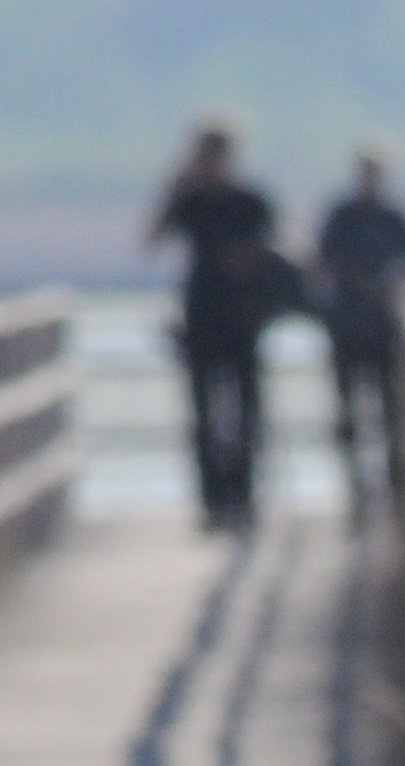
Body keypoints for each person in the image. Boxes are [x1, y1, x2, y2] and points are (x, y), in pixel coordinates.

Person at [148, 126, 296, 531]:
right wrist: (173, 192)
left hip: (244, 318)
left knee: (247, 411)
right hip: (199, 317)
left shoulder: (251, 201)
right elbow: (151, 240)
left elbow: (280, 247)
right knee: (202, 414)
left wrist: (251, 259)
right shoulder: (189, 199)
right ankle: (212, 500)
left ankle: (243, 497)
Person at [316, 150, 405, 503]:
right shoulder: (341, 216)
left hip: (384, 327)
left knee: (391, 410)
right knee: (347, 412)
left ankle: (397, 488)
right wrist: (355, 279)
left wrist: (390, 280)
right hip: (346, 325)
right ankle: (355, 488)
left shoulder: (394, 217)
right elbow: (322, 261)